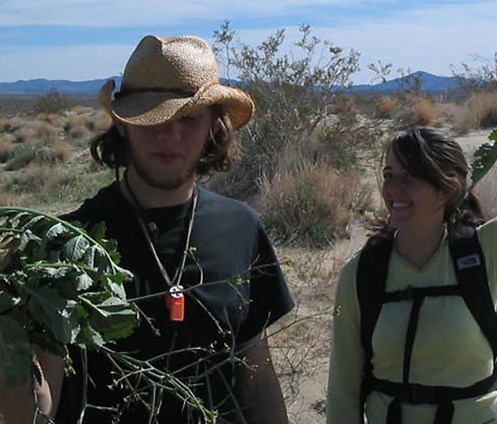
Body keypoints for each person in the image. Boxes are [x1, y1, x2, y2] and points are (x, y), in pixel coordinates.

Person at [0, 34, 294, 424]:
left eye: (188, 119)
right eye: (152, 117)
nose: (170, 134)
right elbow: (39, 407)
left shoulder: (240, 227)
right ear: (123, 124)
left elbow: (256, 371)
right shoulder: (68, 244)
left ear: (214, 127)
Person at [326, 42, 497, 424]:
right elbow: (342, 392)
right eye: (389, 176)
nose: (393, 190)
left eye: (410, 178)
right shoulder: (362, 274)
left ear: (448, 188)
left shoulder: (483, 252)